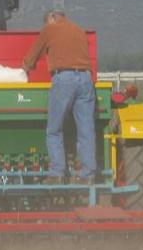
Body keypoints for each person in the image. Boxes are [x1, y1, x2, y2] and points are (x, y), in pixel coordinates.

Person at [22, 10, 95, 184]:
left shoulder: (50, 29)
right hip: (86, 79)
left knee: (54, 130)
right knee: (86, 131)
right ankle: (88, 175)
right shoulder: (78, 30)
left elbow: (33, 55)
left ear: (52, 18)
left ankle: (56, 173)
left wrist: (25, 66)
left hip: (64, 79)